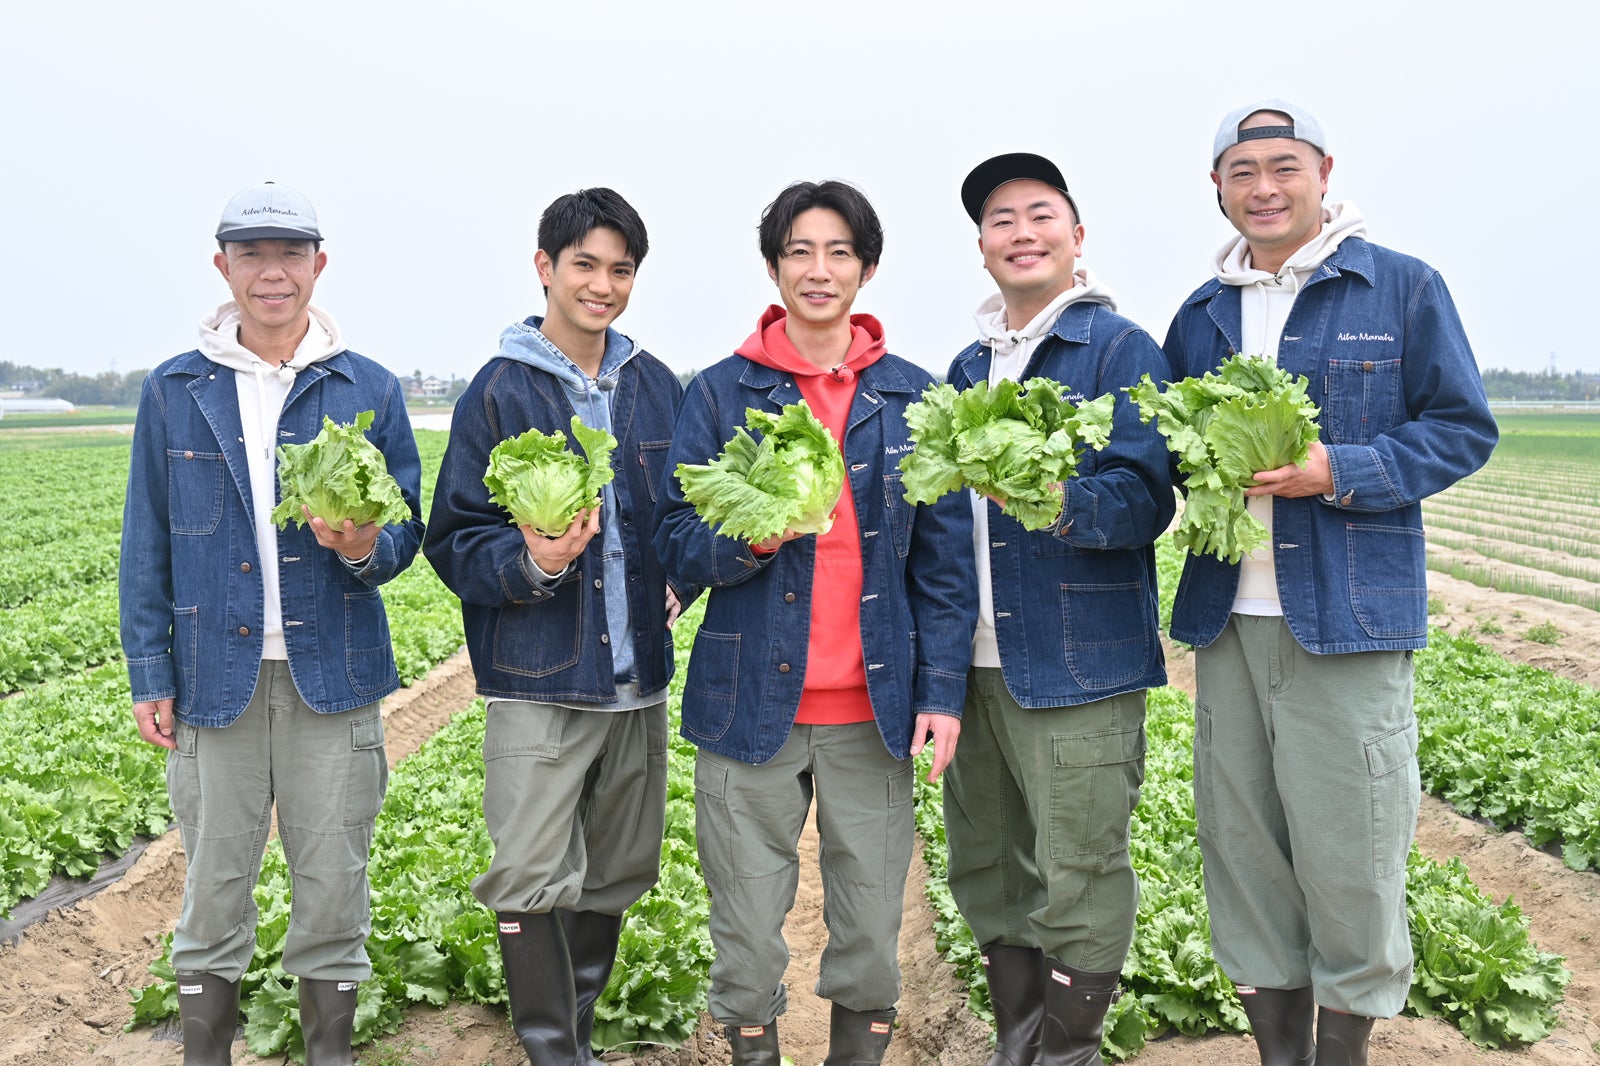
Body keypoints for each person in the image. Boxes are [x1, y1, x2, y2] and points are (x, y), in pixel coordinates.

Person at [1163, 101, 1498, 1066]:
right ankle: (1280, 1053)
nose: (1263, 189)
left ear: (1322, 171)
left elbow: (1461, 428)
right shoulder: (1202, 313)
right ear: (1218, 188)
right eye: (1242, 173)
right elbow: (1180, 448)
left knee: (1353, 850)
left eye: (1283, 168)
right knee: (1244, 850)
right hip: (1230, 618)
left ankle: (1342, 1053)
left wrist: (1337, 469)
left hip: (1348, 617)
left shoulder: (1398, 287)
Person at [653, 180, 976, 1066]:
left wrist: (941, 691)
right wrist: (751, 541)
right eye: (799, 251)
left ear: (865, 269)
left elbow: (943, 568)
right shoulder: (724, 393)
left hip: (872, 708)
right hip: (746, 702)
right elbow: (677, 540)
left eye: (838, 252)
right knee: (747, 925)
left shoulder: (913, 397)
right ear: (773, 267)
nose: (818, 269)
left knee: (871, 920)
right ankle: (754, 1050)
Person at [119, 182, 424, 1066]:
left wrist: (365, 544)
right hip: (217, 681)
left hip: (333, 678)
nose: (273, 272)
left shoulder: (365, 386)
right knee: (215, 888)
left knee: (334, 888)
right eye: (252, 255)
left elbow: (403, 530)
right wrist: (151, 672)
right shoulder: (177, 390)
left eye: (291, 254)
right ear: (224, 267)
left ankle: (330, 1052)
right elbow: (147, 542)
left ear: (318, 266)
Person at [422, 187, 688, 1066]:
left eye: (620, 269)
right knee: (532, 873)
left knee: (616, 870)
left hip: (636, 680)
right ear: (545, 269)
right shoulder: (500, 392)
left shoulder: (653, 386)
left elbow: (684, 515)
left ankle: (571, 1025)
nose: (602, 285)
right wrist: (534, 562)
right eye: (585, 265)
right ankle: (552, 1050)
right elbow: (453, 539)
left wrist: (679, 583)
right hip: (540, 677)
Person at [939, 155, 1175, 1066]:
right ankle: (1019, 1042)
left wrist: (1057, 497)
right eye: (1002, 220)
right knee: (989, 866)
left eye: (1042, 215)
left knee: (1079, 869)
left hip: (1079, 664)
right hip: (976, 666)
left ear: (1077, 239)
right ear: (984, 249)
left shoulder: (1119, 349)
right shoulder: (967, 365)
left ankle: (1065, 1055)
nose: (1022, 233)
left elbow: (1146, 496)